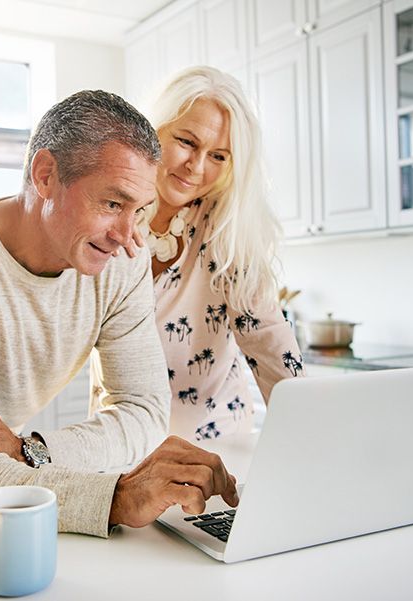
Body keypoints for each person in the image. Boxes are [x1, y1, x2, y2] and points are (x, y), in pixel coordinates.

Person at [0, 90, 238, 537]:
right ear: (45, 175)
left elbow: (145, 412)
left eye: (138, 210)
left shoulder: (123, 262)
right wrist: (116, 498)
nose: (126, 235)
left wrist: (27, 450)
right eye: (112, 204)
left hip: (8, 438)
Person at [105, 65, 305, 442]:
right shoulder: (109, 218)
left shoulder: (224, 226)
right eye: (186, 142)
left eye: (219, 156)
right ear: (154, 130)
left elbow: (266, 335)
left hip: (217, 445)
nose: (196, 167)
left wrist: (312, 428)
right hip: (122, 442)